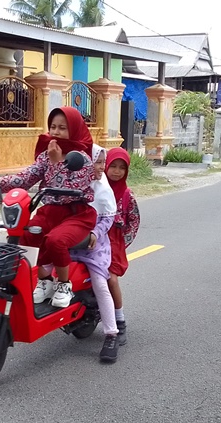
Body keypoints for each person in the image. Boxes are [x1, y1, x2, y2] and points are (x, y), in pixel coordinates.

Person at [0, 107, 97, 308]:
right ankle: (45, 281)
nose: (55, 132)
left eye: (62, 128)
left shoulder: (83, 159)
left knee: (55, 240)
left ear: (75, 130)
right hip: (50, 212)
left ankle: (63, 284)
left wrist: (58, 162)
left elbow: (71, 187)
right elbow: (26, 177)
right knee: (25, 236)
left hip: (77, 214)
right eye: (52, 127)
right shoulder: (46, 155)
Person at [68, 144, 120, 363]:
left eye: (101, 162)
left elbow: (108, 218)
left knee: (100, 283)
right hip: (71, 240)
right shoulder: (74, 184)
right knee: (46, 270)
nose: (100, 167)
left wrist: (95, 234)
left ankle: (111, 334)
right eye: (95, 162)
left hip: (94, 244)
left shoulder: (103, 189)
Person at [105, 148, 141, 346]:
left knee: (110, 278)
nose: (117, 171)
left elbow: (134, 221)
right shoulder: (96, 189)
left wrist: (122, 243)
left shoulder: (127, 195)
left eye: (122, 168)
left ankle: (120, 320)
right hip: (92, 239)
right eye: (113, 166)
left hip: (115, 243)